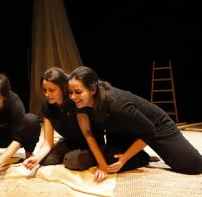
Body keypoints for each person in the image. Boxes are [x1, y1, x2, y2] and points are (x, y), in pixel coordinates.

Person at [68, 66, 202, 181]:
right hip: (122, 130)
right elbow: (88, 134)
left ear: (93, 90)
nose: (73, 97)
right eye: (70, 92)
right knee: (112, 164)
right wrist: (103, 166)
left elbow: (149, 131)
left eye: (78, 92)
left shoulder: (117, 104)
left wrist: (125, 157)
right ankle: (142, 157)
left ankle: (136, 153)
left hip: (155, 126)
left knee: (193, 166)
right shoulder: (80, 103)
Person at [23, 67, 105, 172]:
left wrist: (102, 165)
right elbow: (48, 141)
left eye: (51, 90)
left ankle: (86, 155)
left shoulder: (76, 102)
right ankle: (71, 153)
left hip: (91, 143)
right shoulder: (46, 107)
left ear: (63, 88)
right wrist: (36, 158)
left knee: (72, 161)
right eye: (45, 90)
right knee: (44, 160)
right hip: (70, 142)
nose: (47, 94)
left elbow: (88, 134)